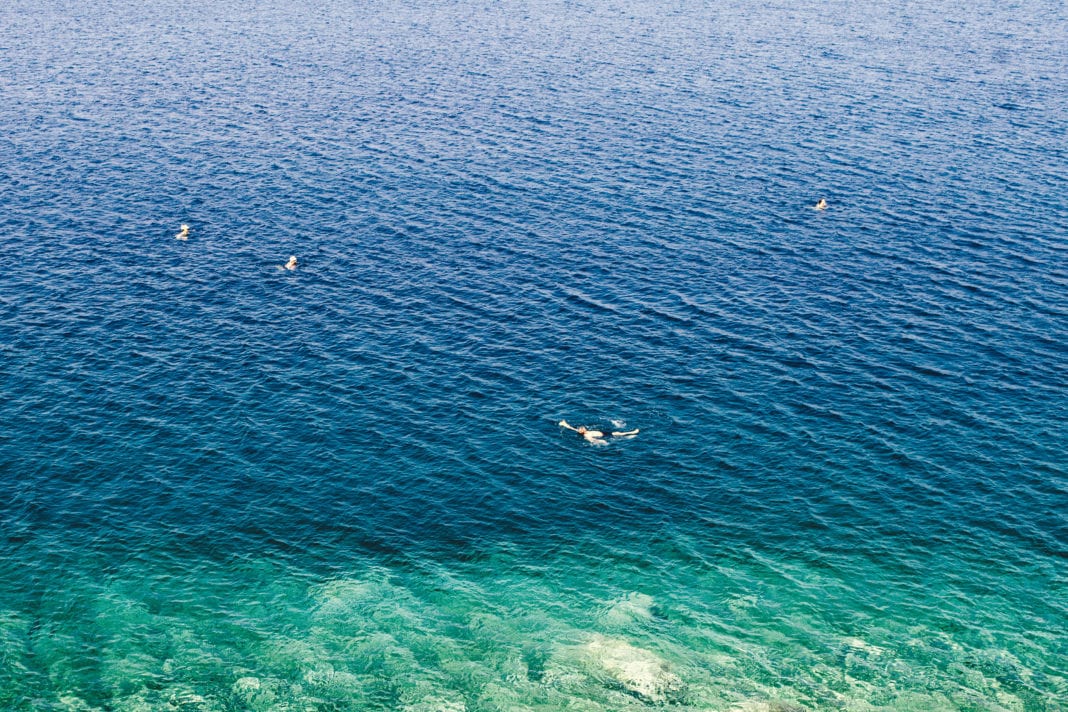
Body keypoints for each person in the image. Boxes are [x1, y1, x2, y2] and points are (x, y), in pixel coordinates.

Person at [559, 420, 639, 443]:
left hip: (603, 432)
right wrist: (602, 442)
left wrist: (564, 424)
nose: (582, 427)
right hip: (604, 436)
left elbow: (571, 428)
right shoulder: (586, 435)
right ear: (582, 431)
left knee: (618, 433)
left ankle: (631, 433)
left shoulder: (584, 432)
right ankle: (632, 433)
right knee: (618, 434)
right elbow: (593, 440)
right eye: (582, 428)